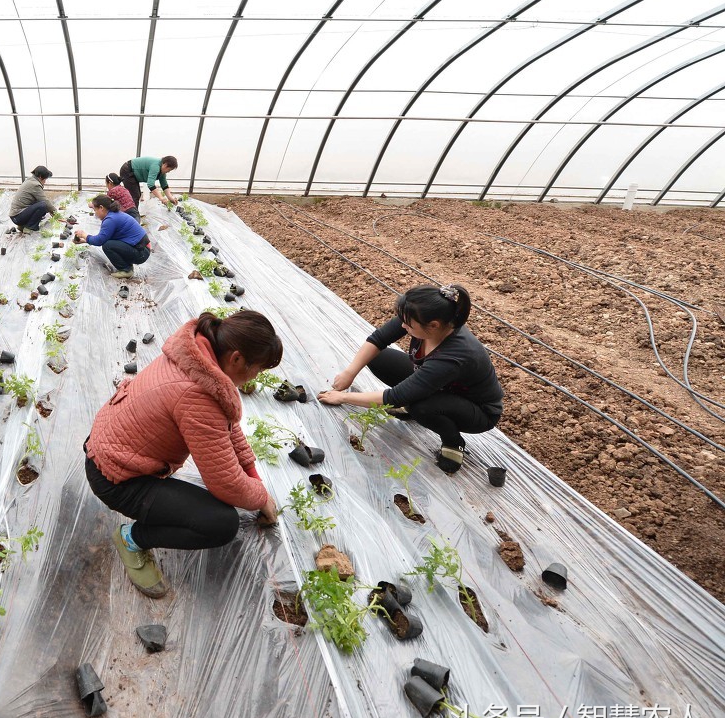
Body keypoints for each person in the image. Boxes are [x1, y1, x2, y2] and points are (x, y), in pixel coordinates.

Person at [85, 310, 283, 598]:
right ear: (237, 358)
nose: (255, 378)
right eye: (258, 370)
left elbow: (227, 423)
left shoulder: (193, 354)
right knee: (222, 523)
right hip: (116, 477)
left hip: (110, 447)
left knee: (230, 498)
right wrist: (260, 497)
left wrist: (253, 476)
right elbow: (225, 484)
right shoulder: (197, 394)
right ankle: (132, 539)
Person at [317, 284, 502, 472]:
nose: (403, 326)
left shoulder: (453, 356)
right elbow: (379, 338)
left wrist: (343, 397)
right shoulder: (422, 318)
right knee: (379, 358)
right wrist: (350, 372)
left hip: (477, 411)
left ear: (433, 325)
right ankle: (419, 406)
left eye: (408, 325)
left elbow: (395, 397)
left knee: (419, 407)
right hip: (441, 386)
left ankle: (453, 442)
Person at [73, 195, 150, 279]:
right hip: (141, 248)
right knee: (109, 242)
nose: (95, 213)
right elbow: (105, 237)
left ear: (101, 208)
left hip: (142, 252)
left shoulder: (111, 219)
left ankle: (126, 270)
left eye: (95, 210)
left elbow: (99, 241)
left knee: (107, 245)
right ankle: (127, 267)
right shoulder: (114, 215)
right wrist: (84, 240)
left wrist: (84, 234)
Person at [8, 165, 56, 233]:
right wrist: (56, 214)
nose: (45, 182)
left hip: (16, 216)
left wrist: (51, 211)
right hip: (18, 216)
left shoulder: (30, 180)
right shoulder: (35, 184)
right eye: (45, 179)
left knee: (41, 205)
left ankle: (23, 226)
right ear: (40, 177)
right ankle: (30, 227)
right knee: (43, 205)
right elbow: (45, 201)